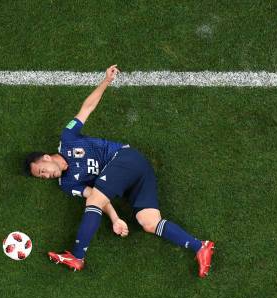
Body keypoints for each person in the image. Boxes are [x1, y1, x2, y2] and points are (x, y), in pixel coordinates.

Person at [24, 65, 215, 277]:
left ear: (47, 158)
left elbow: (87, 108)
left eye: (42, 170)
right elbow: (97, 198)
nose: (45, 176)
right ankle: (200, 246)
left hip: (126, 158)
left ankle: (77, 256)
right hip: (133, 180)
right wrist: (115, 219)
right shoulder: (67, 184)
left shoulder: (68, 139)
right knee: (148, 222)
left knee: (96, 199)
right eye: (41, 177)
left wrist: (106, 81)